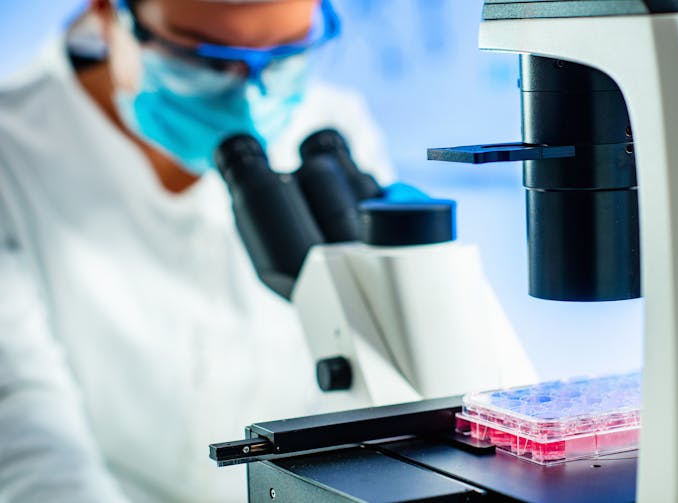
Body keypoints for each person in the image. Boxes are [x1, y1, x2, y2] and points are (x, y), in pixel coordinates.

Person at [0, 0, 395, 501]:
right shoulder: (11, 152)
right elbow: (27, 432)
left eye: (286, 57)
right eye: (207, 61)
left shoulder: (335, 125)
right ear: (107, 14)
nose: (250, 98)